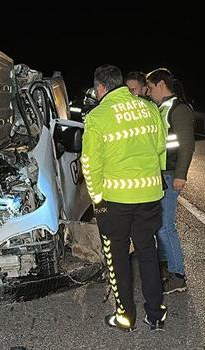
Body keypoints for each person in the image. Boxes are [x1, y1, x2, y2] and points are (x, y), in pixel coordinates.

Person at [81, 64, 168, 331]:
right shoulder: (150, 108)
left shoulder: (98, 116)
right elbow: (160, 147)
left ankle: (125, 317)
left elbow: (89, 164)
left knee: (117, 257)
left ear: (100, 88)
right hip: (150, 195)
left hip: (115, 200)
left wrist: (97, 199)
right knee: (148, 253)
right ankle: (155, 315)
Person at [146, 68, 196, 294]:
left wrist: (181, 175)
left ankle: (178, 276)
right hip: (160, 174)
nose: (148, 91)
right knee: (160, 226)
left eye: (150, 87)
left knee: (166, 227)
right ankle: (167, 268)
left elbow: (187, 144)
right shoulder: (162, 107)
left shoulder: (179, 109)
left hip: (170, 174)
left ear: (160, 85)